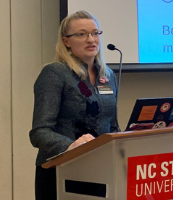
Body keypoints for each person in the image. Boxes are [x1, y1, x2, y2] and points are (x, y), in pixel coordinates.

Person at [29, 10, 119, 200]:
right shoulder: (55, 73)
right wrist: (73, 146)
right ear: (66, 41)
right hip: (61, 171)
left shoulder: (108, 75)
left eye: (95, 33)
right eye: (81, 34)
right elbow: (40, 132)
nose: (91, 39)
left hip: (101, 171)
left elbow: (112, 126)